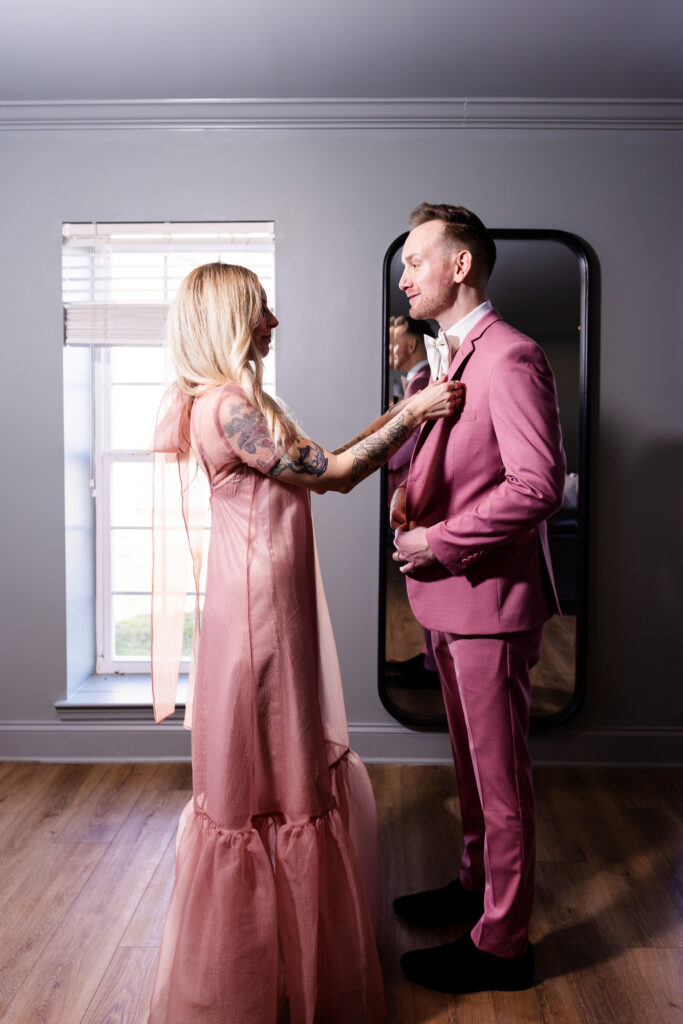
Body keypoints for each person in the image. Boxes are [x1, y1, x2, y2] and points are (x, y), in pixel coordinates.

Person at [146, 261, 462, 1024]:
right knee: (277, 771)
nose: (274, 323)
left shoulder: (232, 403)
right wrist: (415, 412)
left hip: (261, 601)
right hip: (260, 614)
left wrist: (401, 411)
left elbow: (330, 458)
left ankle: (277, 959)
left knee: (273, 764)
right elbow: (341, 473)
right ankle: (265, 972)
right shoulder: (228, 410)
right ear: (228, 320)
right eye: (261, 311)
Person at [391, 204, 566, 995]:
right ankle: (473, 887)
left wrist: (438, 541)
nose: (404, 276)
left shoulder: (512, 357)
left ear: (460, 266)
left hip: (491, 601)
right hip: (449, 606)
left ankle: (502, 945)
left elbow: (537, 486)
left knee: (502, 784)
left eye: (416, 261)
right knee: (470, 769)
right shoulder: (447, 362)